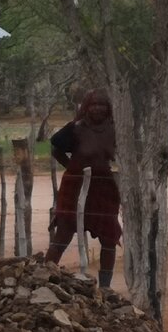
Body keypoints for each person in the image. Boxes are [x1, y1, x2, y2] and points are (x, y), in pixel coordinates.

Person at [45, 89, 122, 288]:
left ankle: (105, 287)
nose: (98, 108)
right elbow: (56, 149)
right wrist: (74, 169)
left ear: (108, 108)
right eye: (93, 104)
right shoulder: (75, 129)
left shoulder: (115, 129)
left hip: (104, 187)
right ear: (86, 107)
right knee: (64, 231)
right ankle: (43, 277)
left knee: (109, 235)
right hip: (75, 185)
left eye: (102, 104)